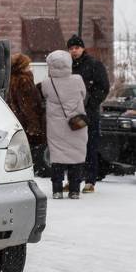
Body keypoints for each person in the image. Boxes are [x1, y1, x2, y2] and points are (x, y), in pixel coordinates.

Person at [42, 50, 88, 199]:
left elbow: (45, 95)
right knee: (76, 157)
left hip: (56, 127)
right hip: (76, 124)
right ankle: (74, 190)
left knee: (57, 157)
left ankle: (57, 190)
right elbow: (83, 95)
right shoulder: (78, 80)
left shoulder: (47, 83)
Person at [68, 35, 110, 192]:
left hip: (89, 114)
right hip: (72, 114)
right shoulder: (68, 66)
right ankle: (74, 180)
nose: (74, 51)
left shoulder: (94, 65)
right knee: (73, 147)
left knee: (90, 146)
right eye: (71, 49)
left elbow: (103, 87)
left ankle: (90, 181)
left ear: (83, 48)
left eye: (76, 48)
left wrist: (90, 104)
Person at [6, 54, 46, 174]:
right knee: (33, 149)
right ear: (22, 66)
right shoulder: (24, 80)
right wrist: (34, 124)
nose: (30, 68)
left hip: (18, 119)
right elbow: (28, 105)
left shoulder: (11, 80)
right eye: (27, 65)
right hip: (28, 121)